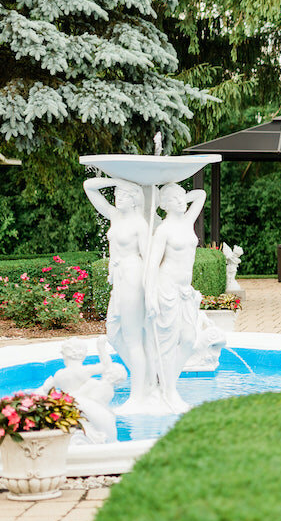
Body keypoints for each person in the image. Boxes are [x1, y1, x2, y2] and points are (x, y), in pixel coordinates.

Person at [83, 176, 153, 410]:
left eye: (123, 194)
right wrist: (115, 177)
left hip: (133, 277)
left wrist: (150, 293)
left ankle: (138, 395)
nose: (117, 197)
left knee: (133, 338)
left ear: (134, 200)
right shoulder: (115, 216)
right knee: (114, 332)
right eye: (116, 193)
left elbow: (148, 259)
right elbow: (88, 187)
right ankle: (146, 377)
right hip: (119, 280)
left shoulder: (140, 225)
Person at [145, 182, 207, 413]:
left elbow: (200, 194)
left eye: (182, 198)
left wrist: (176, 193)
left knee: (189, 339)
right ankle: (167, 390)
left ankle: (169, 384)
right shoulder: (164, 230)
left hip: (185, 291)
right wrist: (150, 296)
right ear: (164, 205)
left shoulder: (187, 220)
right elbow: (152, 265)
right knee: (167, 344)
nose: (182, 201)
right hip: (166, 289)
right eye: (175, 200)